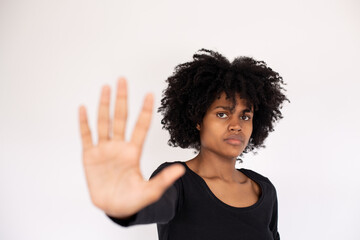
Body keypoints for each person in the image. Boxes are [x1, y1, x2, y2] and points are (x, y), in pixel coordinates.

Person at [78, 49, 289, 240]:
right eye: (222, 113)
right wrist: (124, 207)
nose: (236, 125)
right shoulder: (176, 180)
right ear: (198, 120)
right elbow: (154, 206)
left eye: (245, 116)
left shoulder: (263, 189)